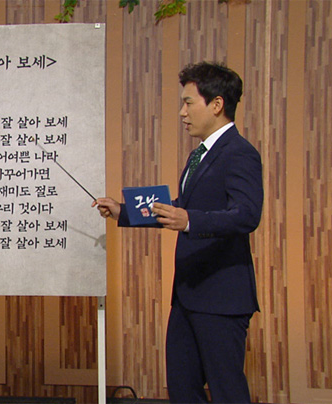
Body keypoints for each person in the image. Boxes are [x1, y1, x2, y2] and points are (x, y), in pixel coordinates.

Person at [93, 61, 262, 403]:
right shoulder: (199, 155)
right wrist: (124, 212)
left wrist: (190, 221)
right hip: (188, 295)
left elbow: (246, 214)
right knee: (183, 389)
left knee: (227, 391)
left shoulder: (240, 153)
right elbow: (179, 208)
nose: (182, 113)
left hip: (221, 298)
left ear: (217, 104)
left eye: (188, 102)